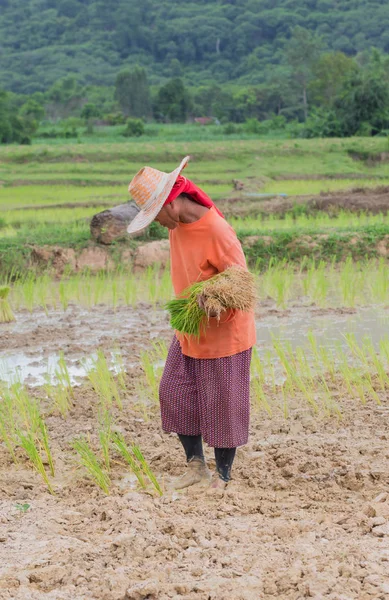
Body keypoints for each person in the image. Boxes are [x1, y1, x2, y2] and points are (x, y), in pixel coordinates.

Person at [127, 156, 256, 492]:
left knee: (222, 402)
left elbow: (240, 282)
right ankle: (196, 466)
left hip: (224, 332)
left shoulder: (216, 230)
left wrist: (214, 299)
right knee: (175, 393)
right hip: (189, 327)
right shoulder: (177, 225)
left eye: (156, 215)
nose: (156, 223)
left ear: (171, 202)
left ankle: (223, 476)